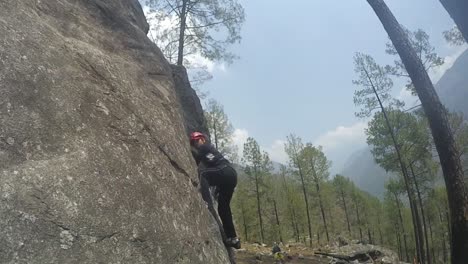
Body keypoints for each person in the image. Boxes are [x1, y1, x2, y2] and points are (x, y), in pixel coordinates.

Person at [190, 132, 241, 249]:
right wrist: (218, 188)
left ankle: (206, 203)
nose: (196, 144)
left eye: (197, 140)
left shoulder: (204, 147)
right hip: (231, 175)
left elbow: (197, 159)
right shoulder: (210, 149)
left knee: (203, 174)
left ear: (202, 139)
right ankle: (233, 238)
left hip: (224, 170)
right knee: (223, 207)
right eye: (194, 142)